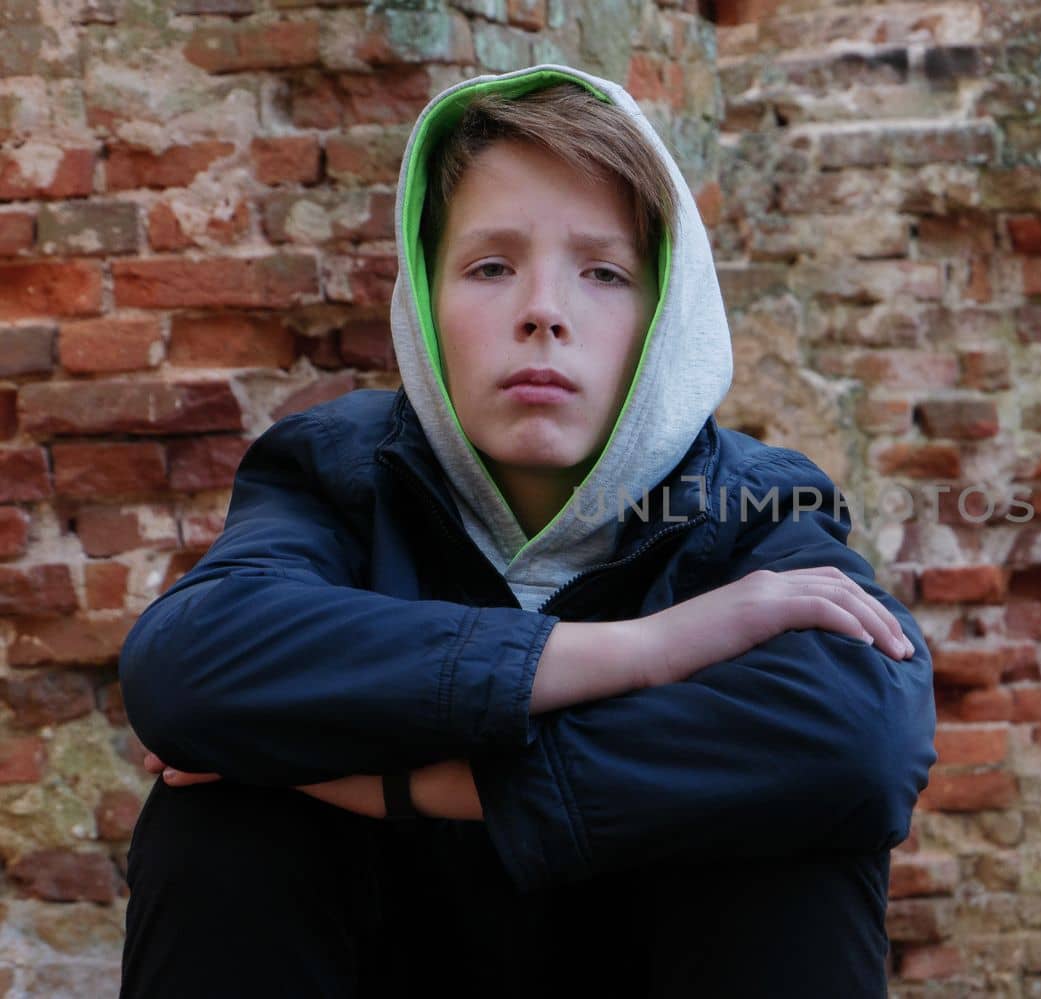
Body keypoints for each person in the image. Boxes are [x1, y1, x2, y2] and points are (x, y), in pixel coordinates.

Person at [116, 64, 936, 997]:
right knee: (222, 823)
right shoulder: (338, 470)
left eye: (604, 272)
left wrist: (398, 785)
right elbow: (186, 665)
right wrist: (648, 647)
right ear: (425, 300)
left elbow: (863, 733)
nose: (543, 311)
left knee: (798, 824)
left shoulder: (750, 506)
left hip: (647, 954)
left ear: (665, 313)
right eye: (491, 266)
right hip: (384, 953)